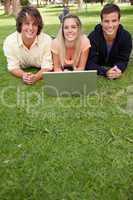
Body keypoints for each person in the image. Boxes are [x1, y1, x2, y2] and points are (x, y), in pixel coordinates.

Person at [3, 6, 52, 85]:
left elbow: (47, 66)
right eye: (27, 24)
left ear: (38, 26)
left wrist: (36, 77)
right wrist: (23, 75)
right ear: (20, 25)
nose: (31, 28)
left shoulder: (47, 40)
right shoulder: (9, 42)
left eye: (34, 24)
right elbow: (13, 67)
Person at [86, 3, 132, 79]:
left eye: (114, 21)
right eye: (106, 21)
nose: (110, 25)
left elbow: (123, 60)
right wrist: (105, 72)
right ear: (101, 22)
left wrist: (118, 69)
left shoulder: (126, 37)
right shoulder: (93, 36)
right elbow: (89, 63)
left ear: (119, 21)